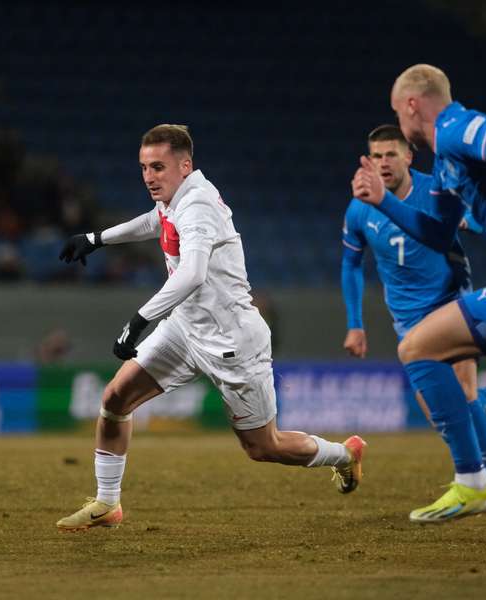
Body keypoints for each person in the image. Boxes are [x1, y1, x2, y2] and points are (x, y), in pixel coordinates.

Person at [56, 124, 367, 532]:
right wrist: (97, 238)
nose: (149, 176)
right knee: (115, 399)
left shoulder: (198, 205)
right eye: (144, 167)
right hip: (185, 329)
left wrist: (138, 322)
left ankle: (344, 455)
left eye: (158, 167)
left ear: (185, 166)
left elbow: (192, 274)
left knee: (262, 447)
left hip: (231, 341)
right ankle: (107, 504)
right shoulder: (175, 198)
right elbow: (155, 222)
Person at [351, 64, 486, 523]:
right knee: (432, 360)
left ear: (412, 104)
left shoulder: (454, 127)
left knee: (417, 347)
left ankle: (474, 482)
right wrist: (384, 201)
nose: (399, 120)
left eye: (397, 110)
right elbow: (436, 233)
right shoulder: (447, 164)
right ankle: (481, 468)